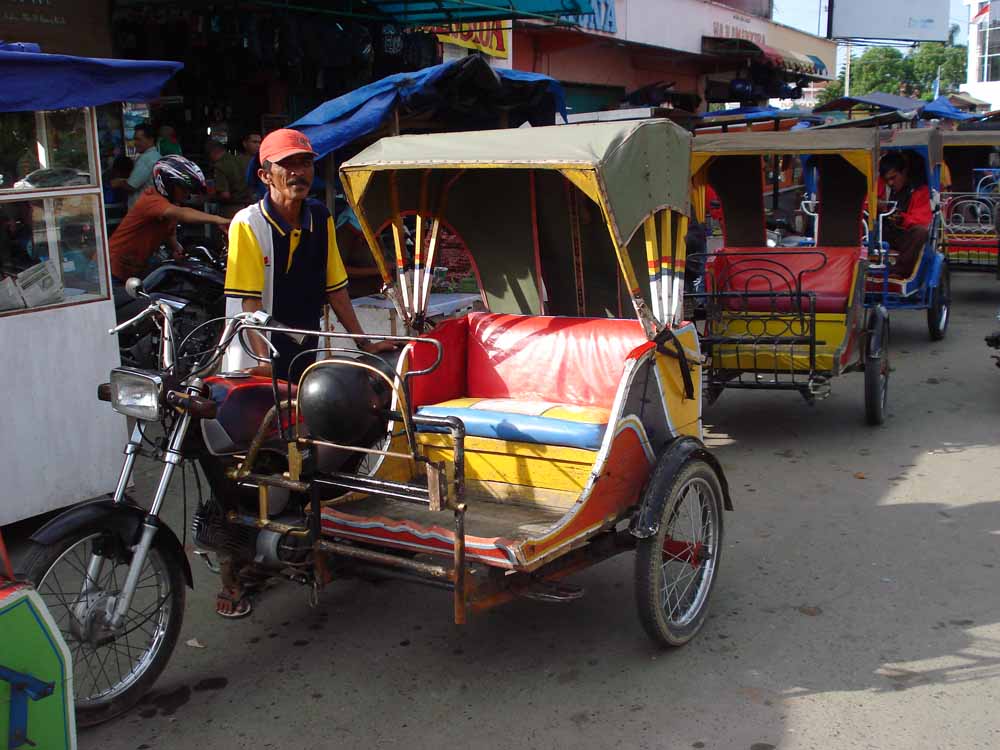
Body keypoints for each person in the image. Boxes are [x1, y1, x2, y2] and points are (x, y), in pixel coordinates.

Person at [219, 129, 394, 618]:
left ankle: (312, 544)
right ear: (265, 175)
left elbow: (336, 288)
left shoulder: (319, 219)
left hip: (302, 353)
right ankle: (237, 573)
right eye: (288, 166)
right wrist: (261, 370)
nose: (299, 174)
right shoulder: (247, 225)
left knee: (307, 453)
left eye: (306, 165)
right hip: (256, 356)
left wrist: (362, 343)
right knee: (250, 465)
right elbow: (246, 307)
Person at [108, 155, 229, 283]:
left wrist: (177, 248)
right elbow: (183, 214)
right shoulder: (152, 199)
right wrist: (218, 220)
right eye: (184, 189)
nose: (188, 194)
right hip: (112, 269)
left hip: (133, 269)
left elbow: (169, 232)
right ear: (167, 183)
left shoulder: (171, 205)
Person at [878, 152, 932, 278]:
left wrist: (900, 217)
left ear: (904, 172)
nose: (890, 183)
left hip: (903, 235)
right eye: (887, 180)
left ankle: (899, 272)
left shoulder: (919, 190)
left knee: (920, 232)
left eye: (893, 178)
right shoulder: (879, 186)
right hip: (880, 231)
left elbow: (921, 220)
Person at [111, 123, 160, 209]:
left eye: (138, 140)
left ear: (151, 140)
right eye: (135, 139)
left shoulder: (146, 159)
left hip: (143, 210)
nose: (135, 143)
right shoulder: (156, 156)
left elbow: (132, 185)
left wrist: (118, 183)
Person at [205, 137, 252, 217]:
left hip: (231, 209)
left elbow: (225, 195)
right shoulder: (242, 160)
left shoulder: (219, 166)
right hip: (250, 206)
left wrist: (209, 197)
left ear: (212, 153)